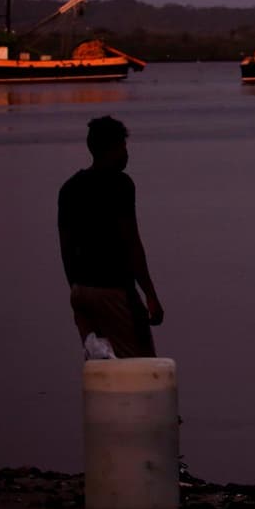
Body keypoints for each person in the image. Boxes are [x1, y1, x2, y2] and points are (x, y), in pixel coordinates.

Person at [58, 115, 164, 358]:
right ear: (112, 148)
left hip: (81, 291)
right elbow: (131, 243)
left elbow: (65, 247)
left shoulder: (69, 188)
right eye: (123, 147)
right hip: (114, 290)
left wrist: (76, 289)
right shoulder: (120, 185)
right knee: (139, 363)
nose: (127, 153)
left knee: (101, 364)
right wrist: (150, 295)